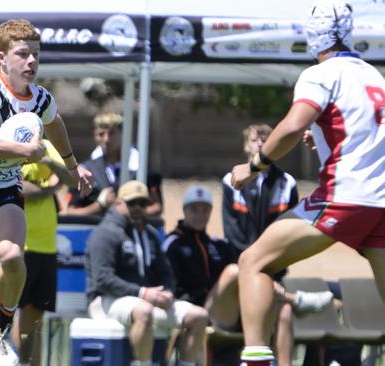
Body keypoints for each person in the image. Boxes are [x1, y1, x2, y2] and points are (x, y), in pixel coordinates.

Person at [229, 1, 385, 365]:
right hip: (382, 201)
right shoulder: (375, 76)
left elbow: (292, 125)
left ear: (312, 35)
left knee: (252, 262)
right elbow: (366, 129)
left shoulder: (320, 74)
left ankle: (255, 361)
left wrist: (254, 165)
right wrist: (326, 136)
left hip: (346, 196)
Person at [0, 19, 92, 366]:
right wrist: (23, 152)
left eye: (35, 55)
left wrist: (71, 165)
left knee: (10, 256)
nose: (31, 62)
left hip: (3, 192)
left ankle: (1, 329)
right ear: (2, 58)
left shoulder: (39, 97)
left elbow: (55, 122)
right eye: (22, 54)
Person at [163, 186, 333, 366]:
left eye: (205, 209)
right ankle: (295, 299)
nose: (200, 214)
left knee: (284, 311)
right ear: (184, 210)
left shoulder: (219, 244)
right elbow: (168, 283)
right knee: (236, 271)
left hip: (233, 309)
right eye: (194, 209)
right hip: (201, 311)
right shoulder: (173, 244)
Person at [85, 180, 208, 366]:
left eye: (143, 203)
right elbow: (103, 279)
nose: (138, 208)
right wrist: (143, 293)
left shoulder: (149, 233)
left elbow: (166, 273)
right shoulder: (105, 233)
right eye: (132, 203)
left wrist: (167, 292)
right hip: (105, 300)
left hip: (144, 300)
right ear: (118, 203)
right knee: (144, 311)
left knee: (199, 316)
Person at [14, 140, 76, 366]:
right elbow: (21, 189)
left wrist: (48, 161)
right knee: (14, 314)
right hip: (19, 244)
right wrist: (50, 187)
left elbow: (70, 177)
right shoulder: (9, 142)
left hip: (47, 245)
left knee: (35, 318)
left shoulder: (47, 145)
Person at [222, 123, 299, 258]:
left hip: (274, 259)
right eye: (254, 140)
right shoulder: (230, 181)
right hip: (240, 258)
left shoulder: (287, 183)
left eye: (265, 141)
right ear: (246, 145)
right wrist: (249, 256)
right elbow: (230, 227)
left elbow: (289, 228)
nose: (260, 144)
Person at [65, 112, 163, 217]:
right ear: (95, 136)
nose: (106, 139)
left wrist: (133, 212)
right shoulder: (86, 170)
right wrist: (99, 205)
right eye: (101, 134)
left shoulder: (139, 166)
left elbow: (157, 206)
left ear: (123, 134)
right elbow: (71, 211)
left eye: (111, 133)